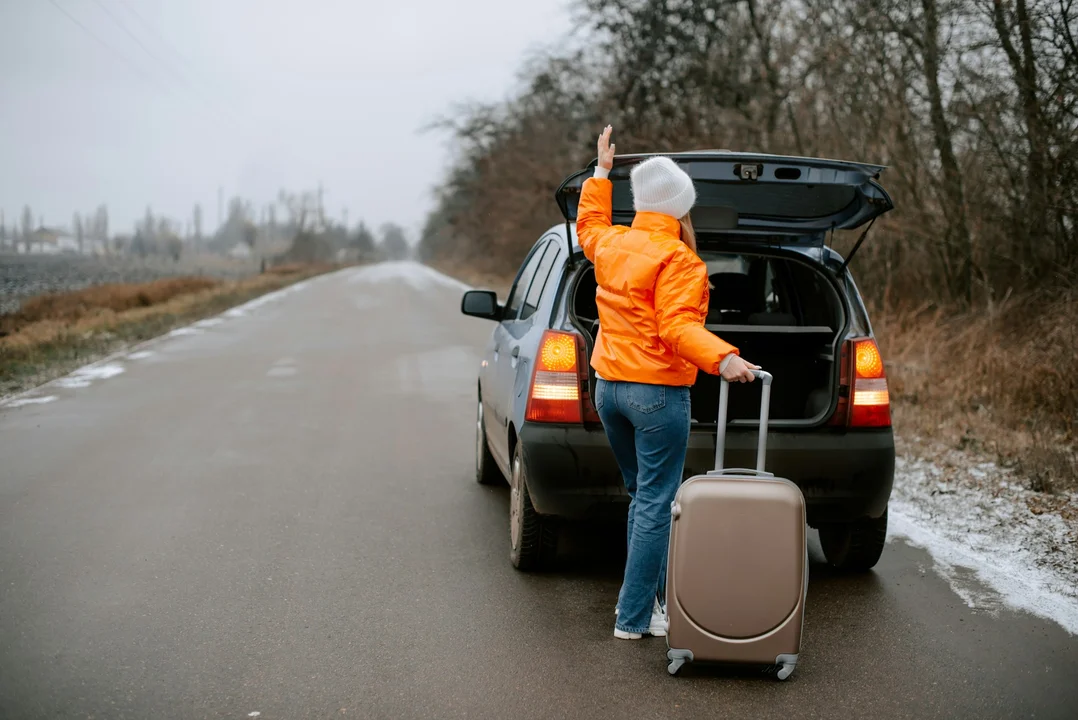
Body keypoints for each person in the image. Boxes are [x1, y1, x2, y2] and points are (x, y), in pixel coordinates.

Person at [577, 125, 758, 640]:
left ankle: (653, 607)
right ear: (681, 208)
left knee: (644, 497)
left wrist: (602, 173)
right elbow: (677, 329)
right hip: (656, 395)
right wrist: (724, 360)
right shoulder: (680, 260)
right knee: (657, 502)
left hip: (609, 388)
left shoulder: (612, 242)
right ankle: (632, 618)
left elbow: (588, 223)